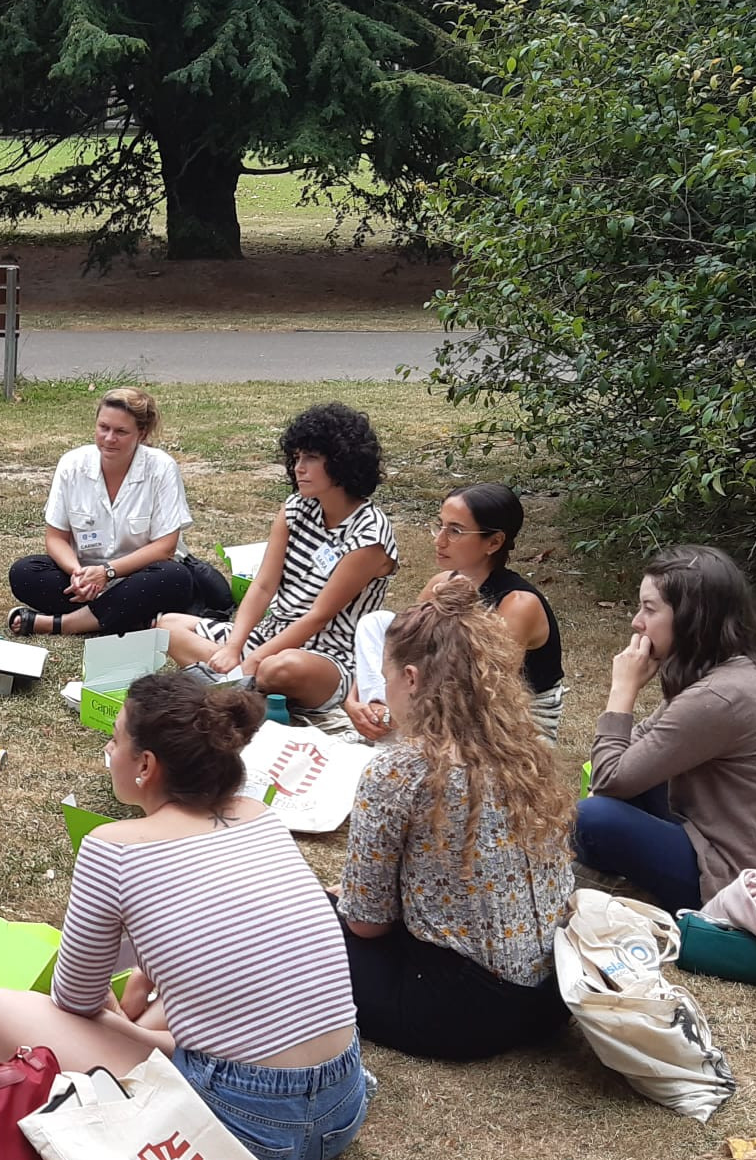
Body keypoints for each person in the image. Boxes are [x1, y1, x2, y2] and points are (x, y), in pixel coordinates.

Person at [0, 672, 368, 1160]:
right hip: (342, 1104)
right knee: (165, 1008)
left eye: (115, 738)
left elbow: (74, 998)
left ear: (145, 765)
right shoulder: (259, 816)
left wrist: (120, 1022)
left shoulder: (112, 847)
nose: (108, 748)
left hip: (243, 1127)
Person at [337, 577, 573, 1059]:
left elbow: (367, 925)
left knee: (294, 923)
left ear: (411, 678)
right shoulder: (528, 751)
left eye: (384, 675)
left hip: (460, 1009)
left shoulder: (399, 770)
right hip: (555, 995)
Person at [574, 546, 756, 913]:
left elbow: (609, 777)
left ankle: (613, 882)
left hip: (735, 874)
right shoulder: (735, 673)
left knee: (593, 818)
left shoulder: (718, 697)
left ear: (692, 617)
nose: (636, 622)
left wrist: (621, 692)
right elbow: (635, 755)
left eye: (649, 608)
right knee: (628, 788)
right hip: (741, 840)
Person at [158, 401, 397, 722]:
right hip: (272, 632)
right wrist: (235, 646)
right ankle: (239, 684)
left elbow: (317, 616)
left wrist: (254, 659)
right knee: (168, 626)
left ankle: (235, 683)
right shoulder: (296, 508)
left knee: (280, 668)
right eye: (296, 457)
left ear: (342, 462)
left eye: (311, 458)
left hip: (330, 654)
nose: (299, 467)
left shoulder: (371, 535)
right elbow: (263, 585)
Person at [347, 484, 566, 743]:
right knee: (377, 623)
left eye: (455, 531)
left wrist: (406, 713)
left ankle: (390, 731)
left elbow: (482, 690)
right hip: (436, 703)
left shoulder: (518, 604)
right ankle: (378, 714)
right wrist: (353, 701)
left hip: (507, 723)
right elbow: (404, 646)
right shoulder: (441, 583)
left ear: (494, 542)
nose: (438, 540)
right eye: (440, 526)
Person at [7, 387, 196, 637]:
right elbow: (55, 538)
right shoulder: (72, 464)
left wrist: (107, 572)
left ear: (142, 433)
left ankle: (62, 624)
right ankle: (126, 617)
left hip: (140, 575)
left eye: (121, 432)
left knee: (174, 578)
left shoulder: (161, 468)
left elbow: (165, 548)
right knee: (24, 572)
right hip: (86, 574)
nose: (108, 439)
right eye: (103, 428)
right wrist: (78, 573)